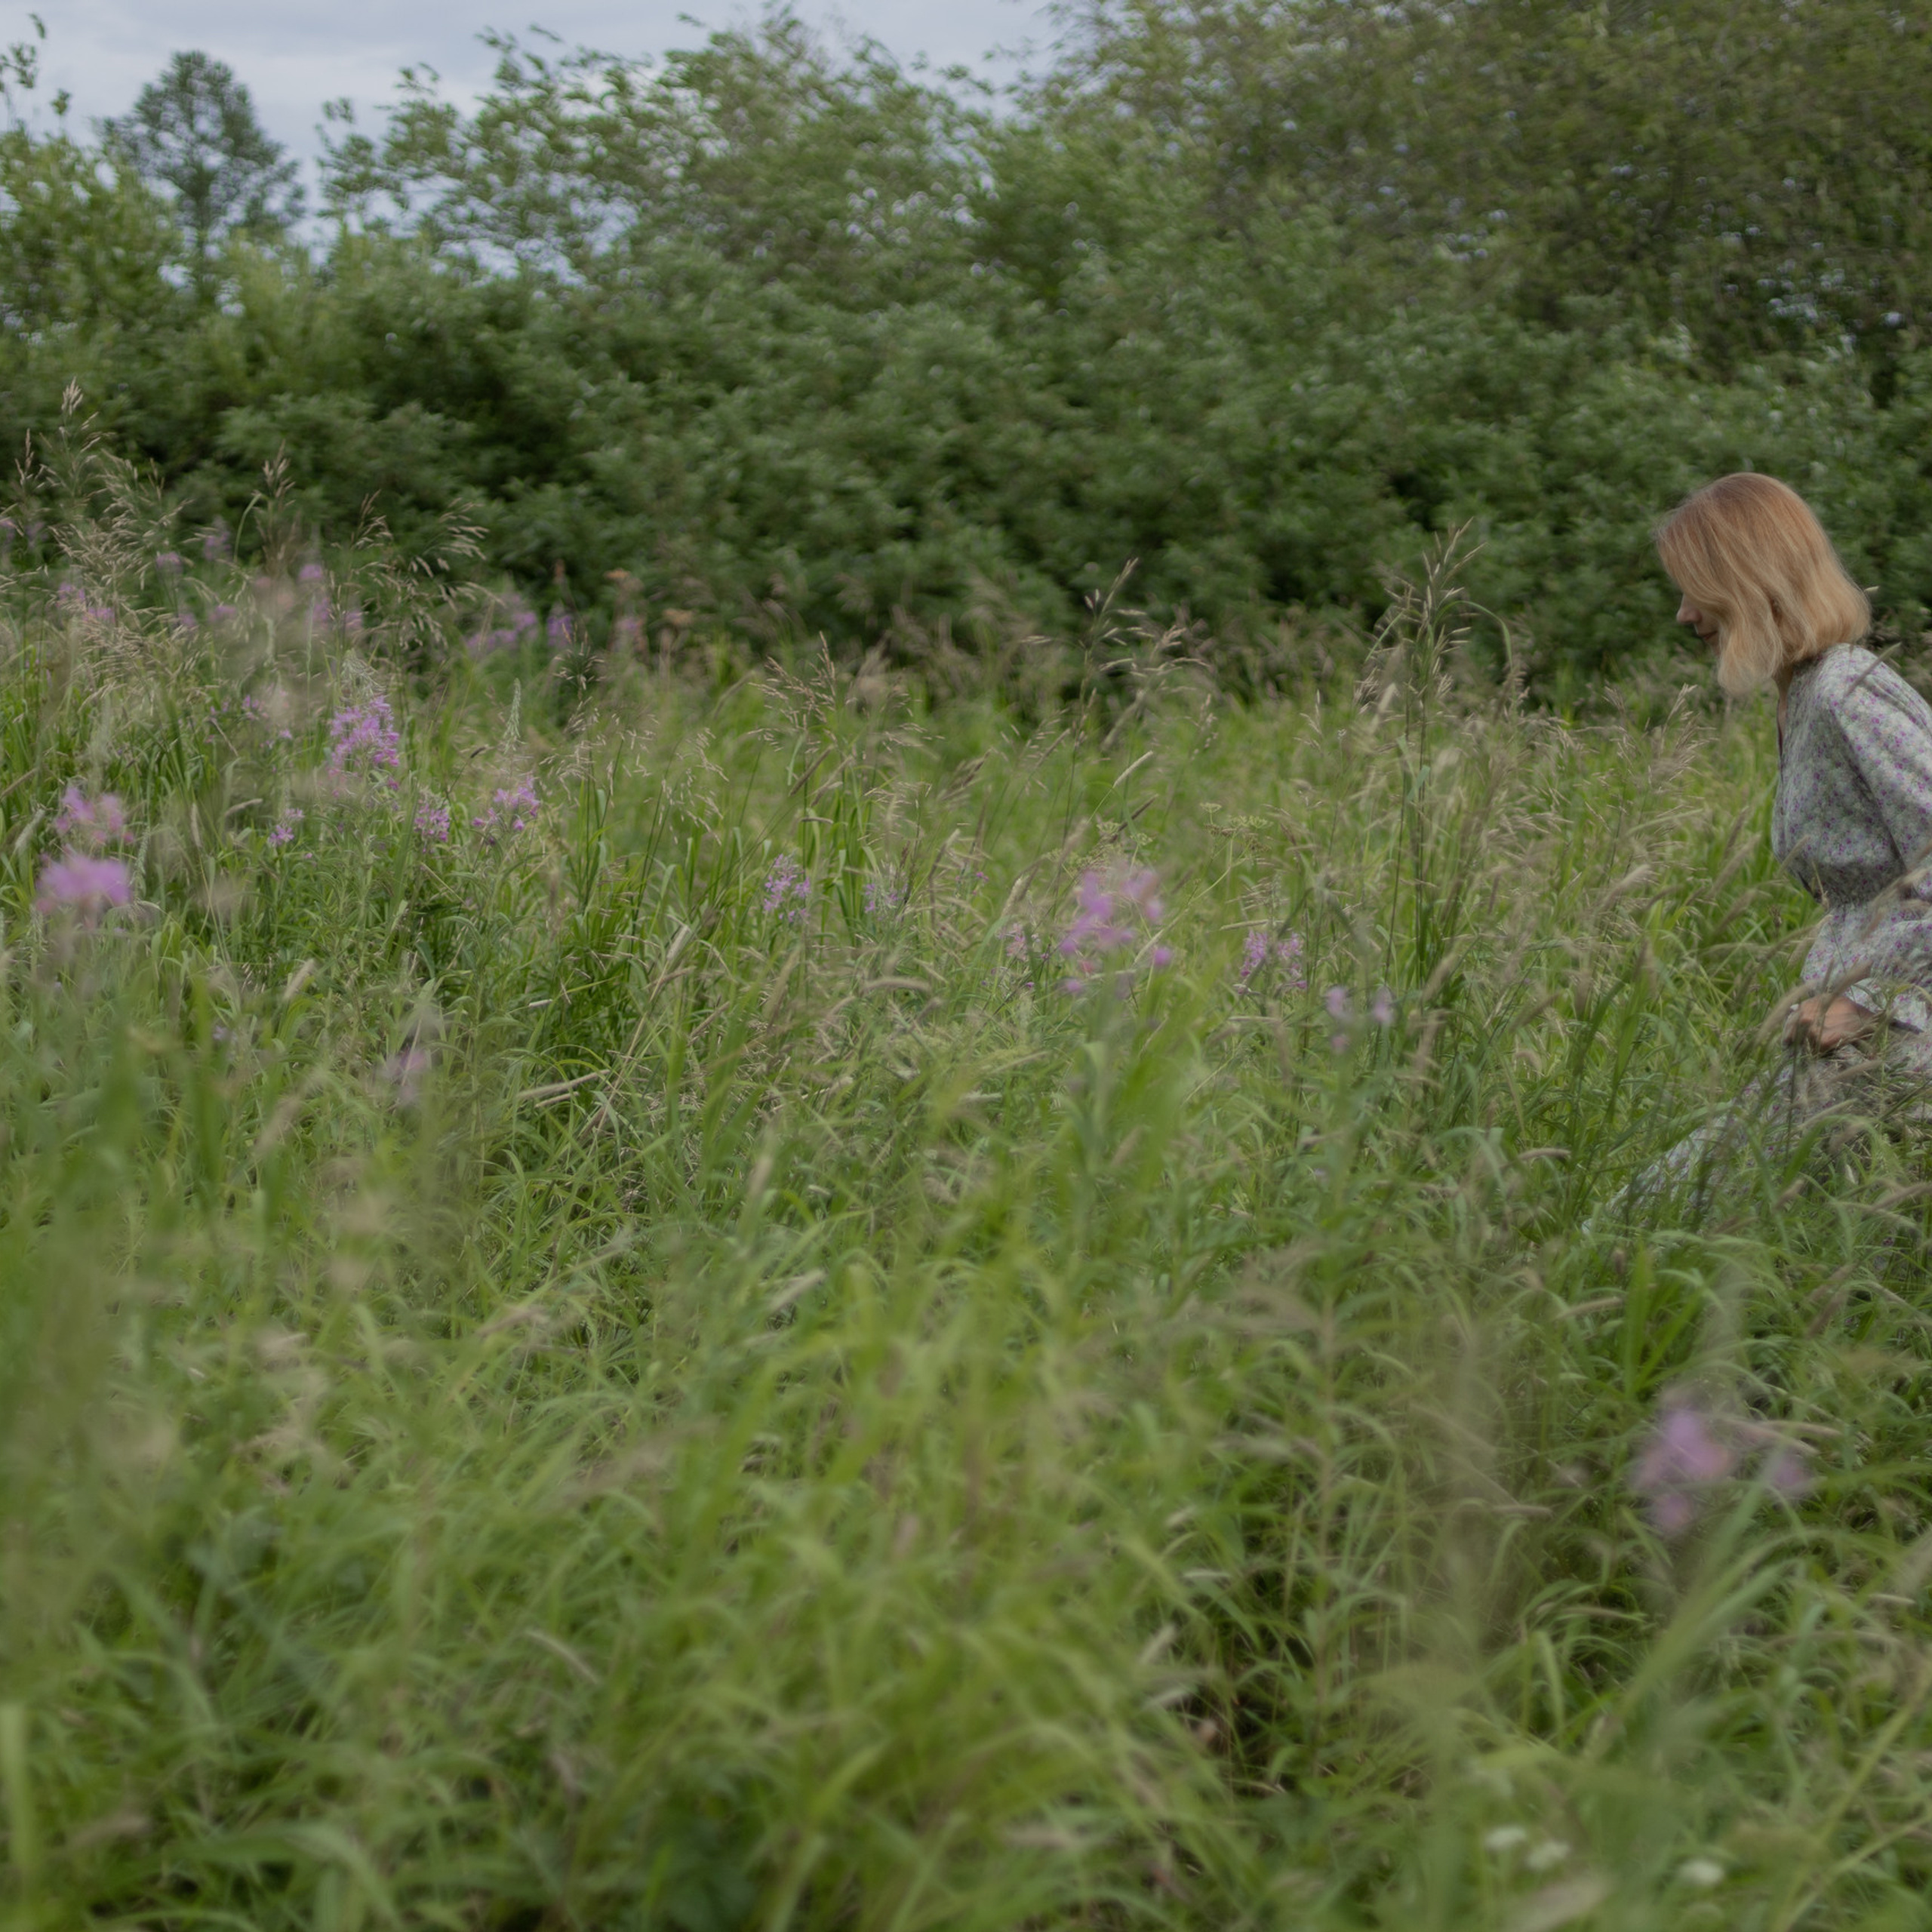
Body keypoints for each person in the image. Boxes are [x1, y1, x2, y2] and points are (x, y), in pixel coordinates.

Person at [1617, 472, 1932, 1214]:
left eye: (1697, 590)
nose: (1684, 613)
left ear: (1750, 580)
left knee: (1655, 1218)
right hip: (1847, 1045)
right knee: (1653, 1215)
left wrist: (1868, 1002)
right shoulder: (1802, 692)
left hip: (1896, 1041)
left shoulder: (1847, 691)